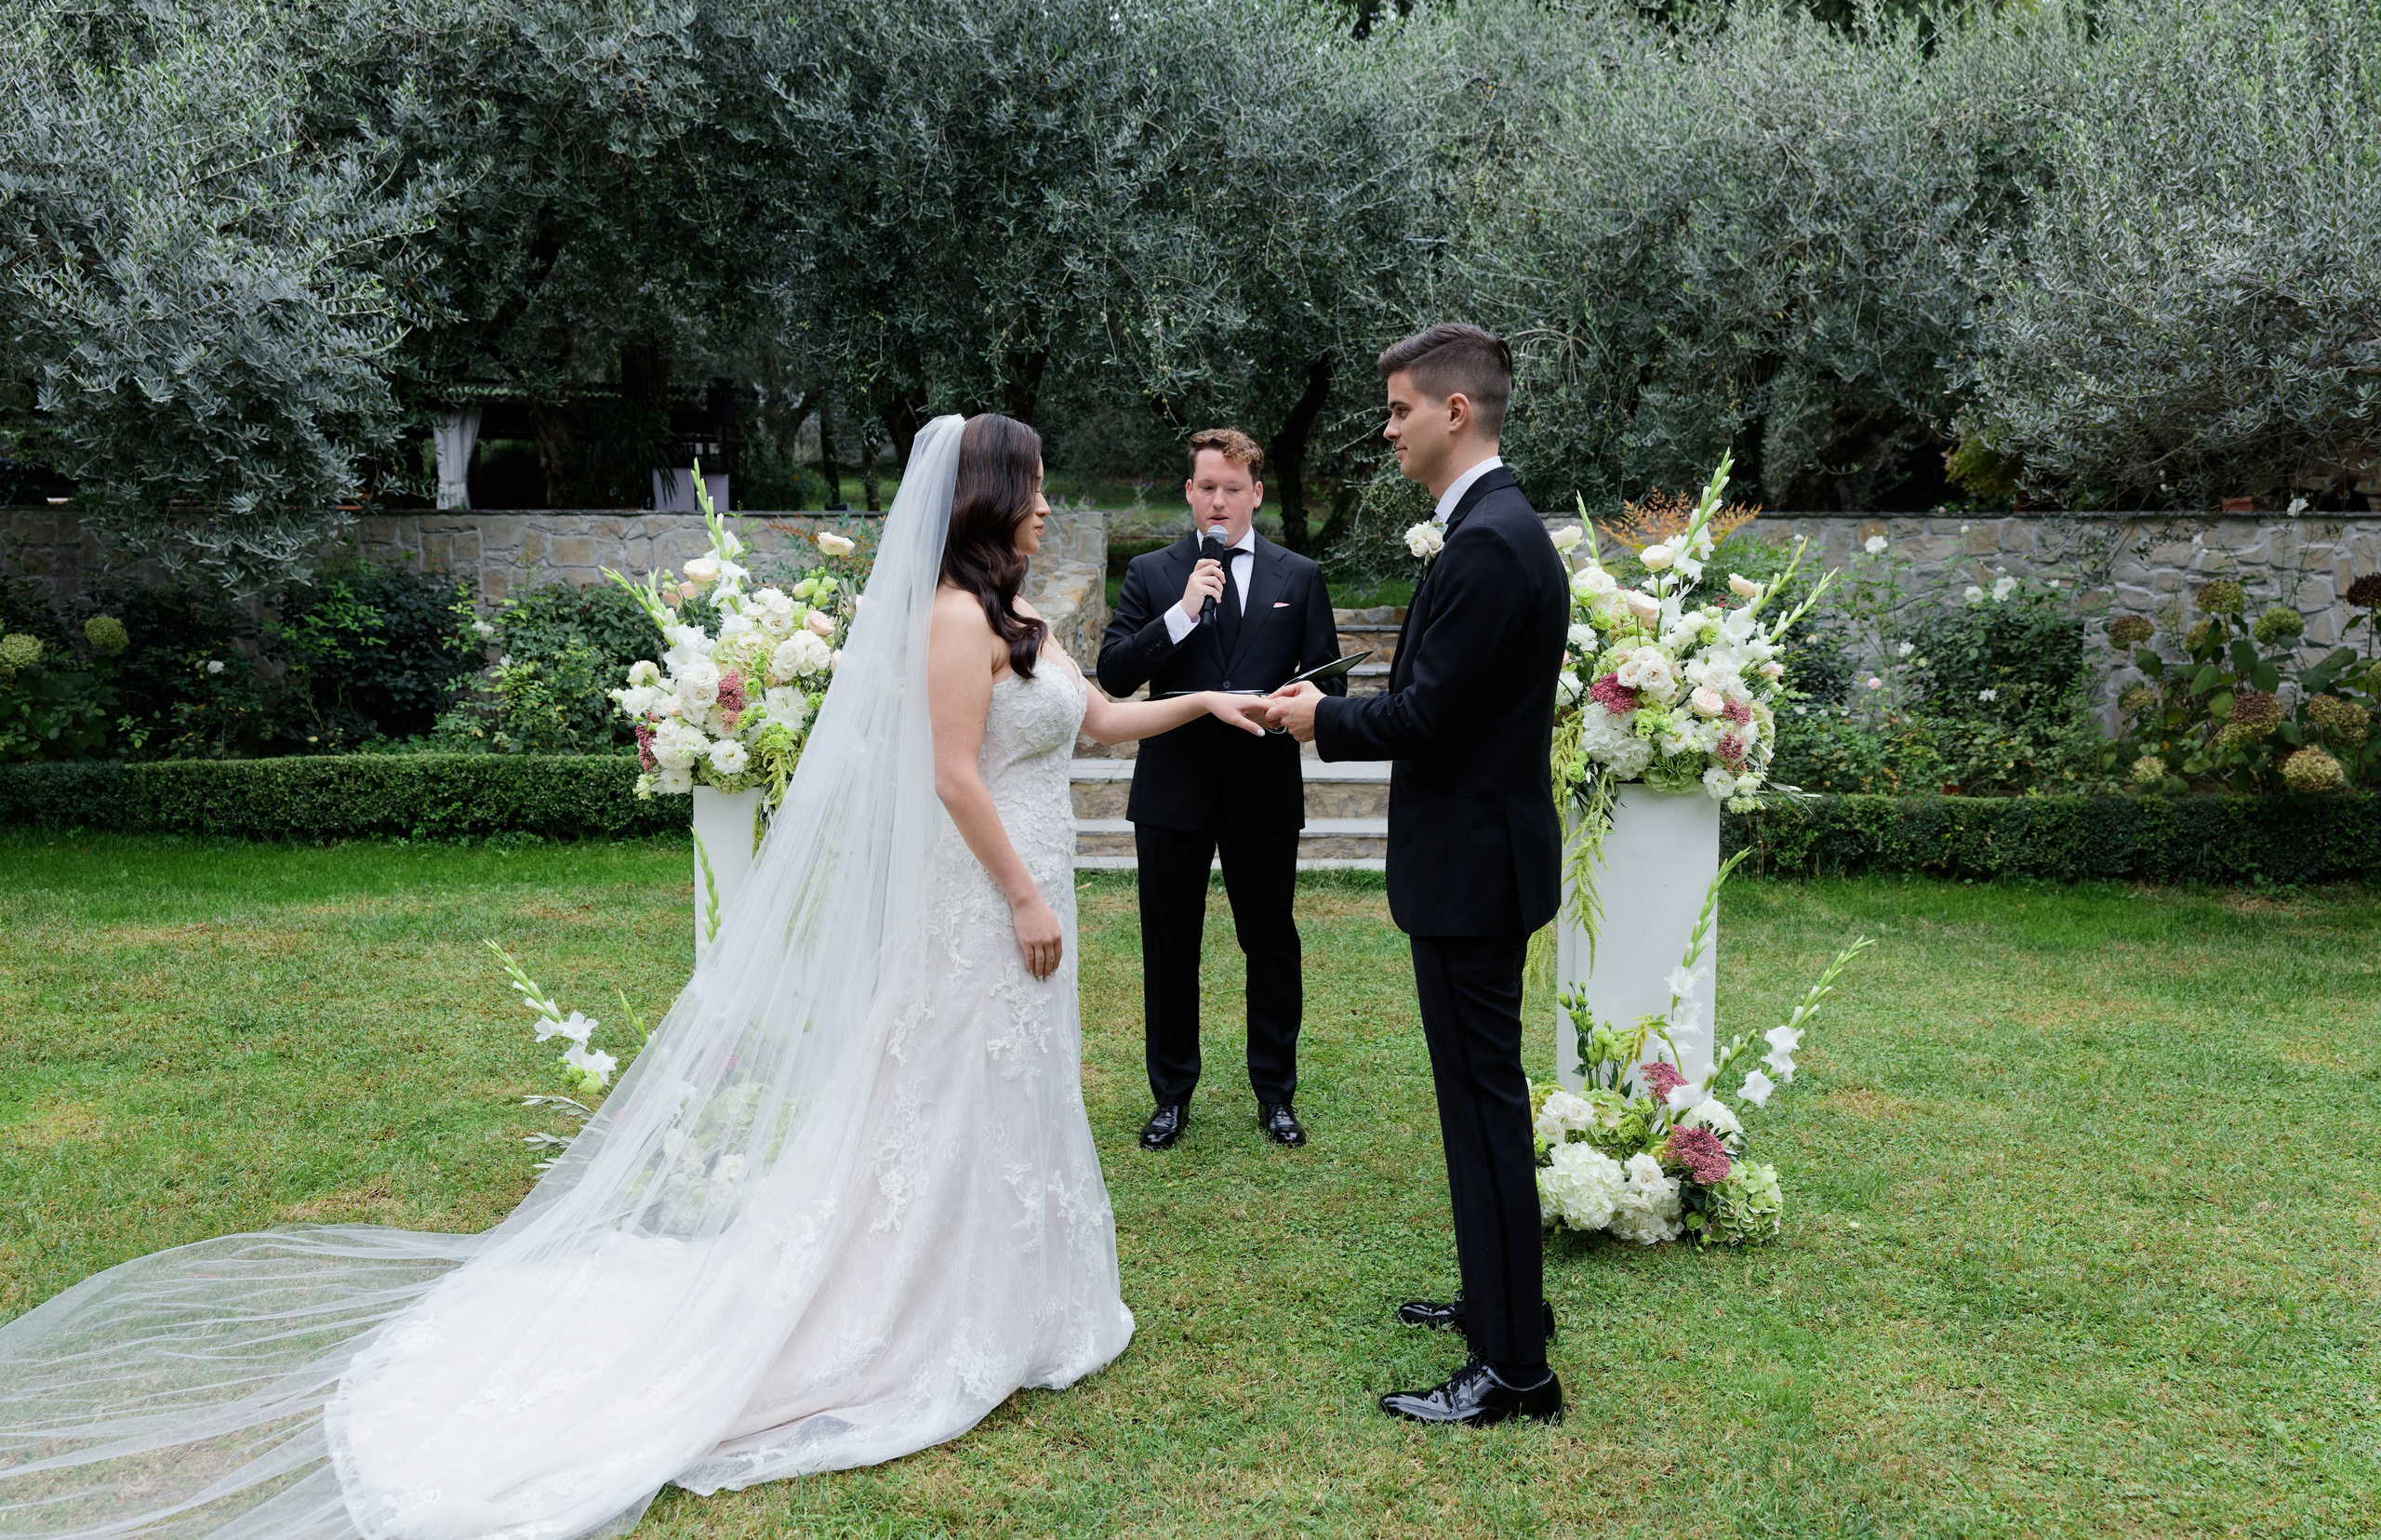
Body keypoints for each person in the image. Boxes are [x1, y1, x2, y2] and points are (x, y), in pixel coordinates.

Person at [0, 413, 1273, 1537]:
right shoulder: (947, 618)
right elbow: (950, 776)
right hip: (988, 899)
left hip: (1030, 894)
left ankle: (1032, 1301)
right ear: (990, 497)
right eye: (1035, 484)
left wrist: (1205, 706)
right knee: (940, 1092)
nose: (1048, 501)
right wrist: (1024, 890)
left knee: (1013, 1088)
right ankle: (918, 1314)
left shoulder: (1022, 619)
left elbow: (1094, 720)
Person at [1267, 325, 1569, 1428]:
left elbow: (1430, 716)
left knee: (1482, 1107)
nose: (1386, 427)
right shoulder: (1485, 527)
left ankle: (1515, 1371)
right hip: (1478, 862)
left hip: (1472, 871)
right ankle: (1497, 1304)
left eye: (1398, 408)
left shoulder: (1490, 540)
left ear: (1454, 411)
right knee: (1475, 1100)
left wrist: (1317, 717)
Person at [1097, 428, 1344, 1152]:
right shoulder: (1151, 573)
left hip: (1262, 786)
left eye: (1233, 489)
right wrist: (1179, 614)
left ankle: (1276, 1095)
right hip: (1173, 790)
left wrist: (1301, 694)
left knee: (1269, 942)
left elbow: (1336, 679)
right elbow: (1112, 678)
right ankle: (1171, 1095)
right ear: (1189, 492)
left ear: (1256, 496)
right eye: (1206, 487)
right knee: (1171, 947)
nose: (1218, 501)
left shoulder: (1298, 576)